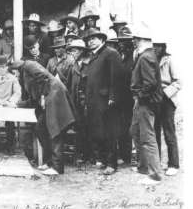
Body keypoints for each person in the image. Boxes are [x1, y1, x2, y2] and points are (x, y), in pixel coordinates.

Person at [11, 59, 75, 176]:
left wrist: (43, 96)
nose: (15, 75)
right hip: (49, 98)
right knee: (40, 128)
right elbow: (33, 99)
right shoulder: (25, 77)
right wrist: (16, 104)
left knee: (55, 131)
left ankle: (57, 167)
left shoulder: (29, 65)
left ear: (18, 69)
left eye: (15, 72)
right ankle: (49, 161)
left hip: (55, 97)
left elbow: (44, 77)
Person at [84, 28, 123, 176]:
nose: (91, 41)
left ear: (102, 39)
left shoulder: (110, 53)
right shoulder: (94, 55)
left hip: (107, 101)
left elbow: (116, 78)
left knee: (109, 133)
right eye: (89, 39)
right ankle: (105, 160)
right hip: (95, 101)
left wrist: (113, 97)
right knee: (100, 132)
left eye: (94, 38)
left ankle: (112, 164)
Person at [130, 24, 164, 185]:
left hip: (146, 103)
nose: (134, 42)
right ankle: (145, 168)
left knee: (148, 137)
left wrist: (139, 96)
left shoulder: (145, 57)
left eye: (135, 39)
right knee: (137, 132)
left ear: (141, 40)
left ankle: (155, 175)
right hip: (144, 102)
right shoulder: (148, 55)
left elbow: (150, 83)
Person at [153, 37, 181, 176]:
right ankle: (156, 163)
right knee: (154, 131)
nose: (155, 48)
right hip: (153, 99)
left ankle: (173, 164)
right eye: (153, 45)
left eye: (158, 46)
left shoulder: (169, 60)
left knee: (169, 132)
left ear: (163, 47)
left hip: (166, 100)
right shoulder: (149, 59)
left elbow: (178, 82)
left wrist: (166, 93)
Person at [0, 55, 21, 155]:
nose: (2, 69)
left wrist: (10, 102)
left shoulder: (13, 78)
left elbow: (17, 93)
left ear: (7, 67)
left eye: (4, 67)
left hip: (7, 105)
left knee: (10, 123)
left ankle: (10, 146)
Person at [66, 39, 92, 167]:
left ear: (82, 51)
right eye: (71, 51)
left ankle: (90, 155)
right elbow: (70, 85)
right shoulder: (73, 66)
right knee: (79, 129)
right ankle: (81, 154)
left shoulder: (89, 65)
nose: (73, 53)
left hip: (87, 103)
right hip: (76, 103)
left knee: (89, 129)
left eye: (75, 50)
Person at [115, 29, 135, 167]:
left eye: (123, 41)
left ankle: (132, 156)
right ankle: (124, 154)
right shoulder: (119, 56)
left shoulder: (134, 57)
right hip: (120, 98)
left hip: (131, 98)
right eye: (119, 41)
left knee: (131, 127)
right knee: (121, 127)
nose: (121, 44)